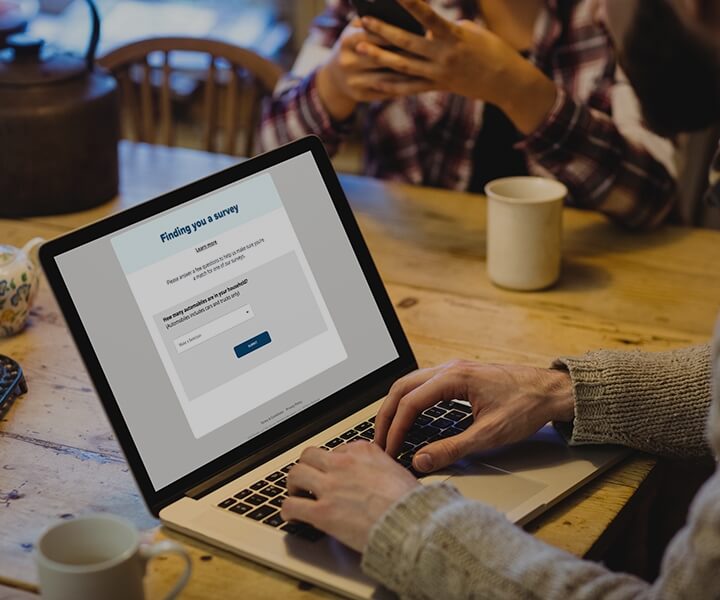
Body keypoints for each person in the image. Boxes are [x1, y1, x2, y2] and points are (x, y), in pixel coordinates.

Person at [281, 0, 720, 596]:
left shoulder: (591, 20)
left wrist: (410, 527)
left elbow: (649, 196)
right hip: (437, 309)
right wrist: (562, 390)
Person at [259, 0, 678, 229]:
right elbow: (269, 163)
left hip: (589, 284)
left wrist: (519, 91)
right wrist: (334, 84)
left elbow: (650, 200)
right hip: (414, 268)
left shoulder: (615, 14)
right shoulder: (386, 7)